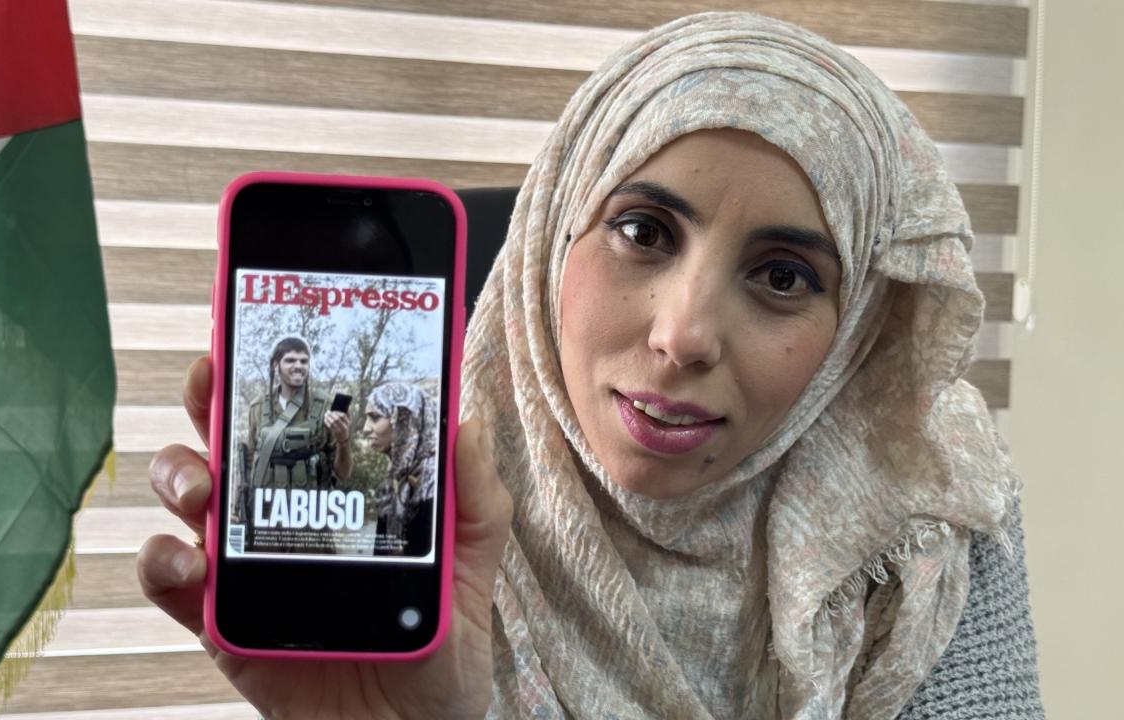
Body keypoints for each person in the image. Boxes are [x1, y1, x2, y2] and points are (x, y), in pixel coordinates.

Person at [140, 12, 1043, 718]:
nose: (684, 336)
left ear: (856, 332)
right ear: (548, 238)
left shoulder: (924, 525)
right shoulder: (427, 504)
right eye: (643, 231)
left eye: (782, 276)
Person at [237, 337, 352, 530]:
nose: (298, 366)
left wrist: (343, 439)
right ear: (276, 365)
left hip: (311, 522)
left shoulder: (325, 406)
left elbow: (343, 473)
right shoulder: (258, 407)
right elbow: (249, 464)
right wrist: (239, 507)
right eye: (290, 360)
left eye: (303, 361)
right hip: (267, 520)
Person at [362, 382, 438, 557]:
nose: (365, 429)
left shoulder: (431, 484)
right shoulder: (395, 476)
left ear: (405, 420)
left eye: (375, 417)